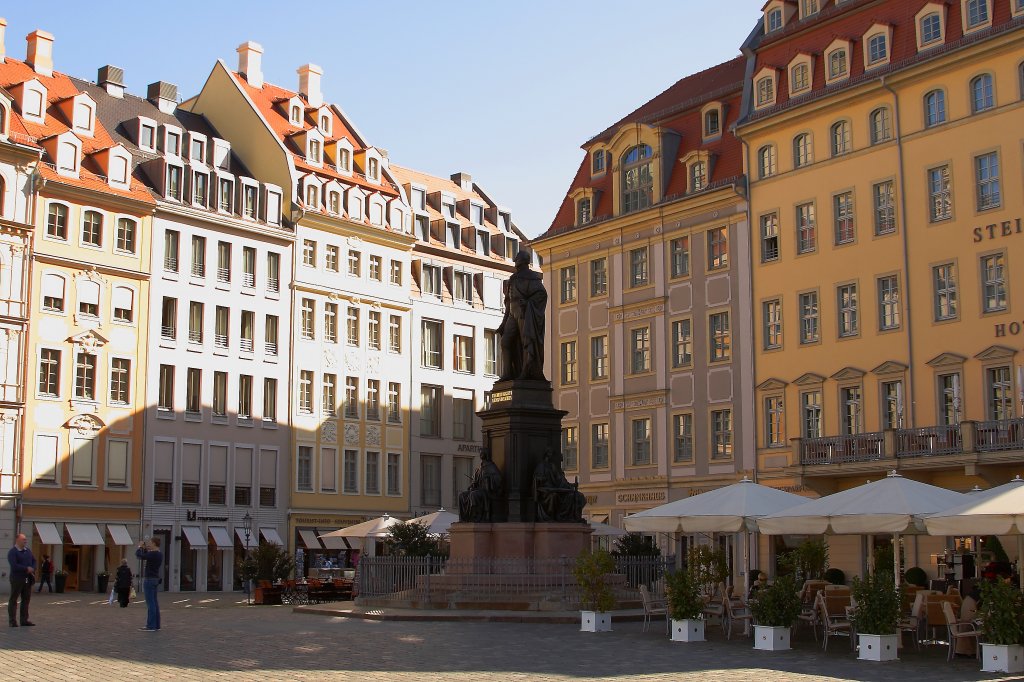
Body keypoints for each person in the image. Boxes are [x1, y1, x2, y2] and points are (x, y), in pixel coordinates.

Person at [497, 251, 547, 381]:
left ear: (523, 261)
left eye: (517, 260)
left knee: (526, 341)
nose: (515, 262)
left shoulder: (532, 277)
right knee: (506, 341)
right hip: (512, 312)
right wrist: (503, 323)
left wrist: (528, 302)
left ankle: (526, 370)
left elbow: (541, 295)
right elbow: (508, 301)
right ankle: (508, 373)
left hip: (524, 311)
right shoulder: (513, 278)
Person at [533, 448, 586, 523]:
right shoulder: (541, 466)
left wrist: (571, 486)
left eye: (552, 453)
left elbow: (560, 480)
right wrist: (541, 479)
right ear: (546, 454)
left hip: (554, 489)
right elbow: (537, 479)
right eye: (550, 453)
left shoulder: (552, 466)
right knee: (553, 496)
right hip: (544, 491)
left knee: (576, 496)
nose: (551, 455)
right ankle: (552, 517)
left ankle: (569, 517)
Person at [458, 448, 504, 523]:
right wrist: (472, 485)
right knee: (462, 495)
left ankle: (475, 517)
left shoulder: (491, 466)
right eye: (480, 453)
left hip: (486, 491)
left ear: (486, 454)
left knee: (473, 495)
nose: (480, 455)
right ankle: (464, 518)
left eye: (482, 453)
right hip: (477, 489)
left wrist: (489, 479)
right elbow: (474, 480)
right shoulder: (479, 468)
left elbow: (499, 479)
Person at [7, 533, 36, 627]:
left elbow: (34, 560)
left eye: (25, 539)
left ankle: (24, 620)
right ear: (17, 540)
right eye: (23, 539)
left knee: (26, 599)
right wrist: (26, 568)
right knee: (13, 599)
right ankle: (12, 621)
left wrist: (33, 567)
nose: (25, 541)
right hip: (17, 578)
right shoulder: (13, 552)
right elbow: (14, 566)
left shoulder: (28, 551)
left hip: (27, 578)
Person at [135, 537, 163, 631]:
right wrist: (145, 548)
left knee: (150, 603)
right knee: (155, 603)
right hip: (155, 579)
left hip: (149, 580)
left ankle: (150, 625)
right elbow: (147, 555)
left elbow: (139, 555)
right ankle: (157, 625)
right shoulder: (159, 554)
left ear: (154, 543)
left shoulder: (153, 554)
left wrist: (139, 547)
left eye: (150, 543)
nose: (149, 544)